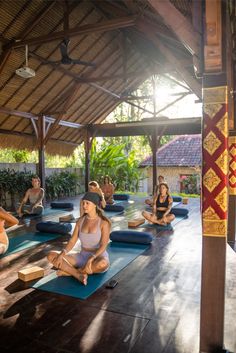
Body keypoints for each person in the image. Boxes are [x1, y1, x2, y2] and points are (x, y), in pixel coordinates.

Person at [47, 192, 111, 285]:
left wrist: (92, 258)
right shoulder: (80, 221)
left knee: (102, 264)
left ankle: (69, 272)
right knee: (51, 256)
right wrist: (62, 253)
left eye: (87, 203)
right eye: (83, 203)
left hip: (98, 257)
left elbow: (104, 245)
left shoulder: (104, 223)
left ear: (95, 205)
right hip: (82, 256)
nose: (84, 205)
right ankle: (77, 274)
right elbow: (72, 241)